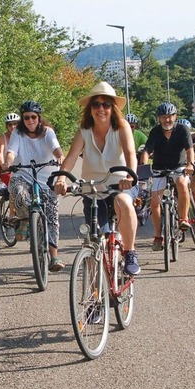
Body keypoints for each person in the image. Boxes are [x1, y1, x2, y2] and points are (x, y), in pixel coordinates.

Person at [55, 82, 140, 275]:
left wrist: (129, 176)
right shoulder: (85, 130)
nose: (100, 109)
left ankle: (130, 252)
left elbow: (130, 153)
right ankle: (94, 296)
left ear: (113, 108)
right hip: (93, 188)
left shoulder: (121, 127)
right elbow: (71, 157)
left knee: (123, 202)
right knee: (94, 240)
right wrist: (61, 178)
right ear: (90, 109)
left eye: (106, 104)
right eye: (96, 105)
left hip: (120, 182)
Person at [1, 100, 66, 272]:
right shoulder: (18, 133)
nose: (30, 121)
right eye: (26, 118)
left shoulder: (47, 132)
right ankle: (25, 220)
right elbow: (11, 151)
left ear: (39, 117)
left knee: (52, 218)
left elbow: (56, 148)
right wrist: (8, 162)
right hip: (24, 174)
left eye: (33, 117)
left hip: (48, 178)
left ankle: (54, 256)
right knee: (15, 187)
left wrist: (60, 156)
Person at [140, 103, 195, 251]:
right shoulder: (155, 132)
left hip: (179, 167)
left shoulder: (182, 130)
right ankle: (158, 236)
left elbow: (190, 149)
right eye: (164, 117)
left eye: (170, 116)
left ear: (175, 116)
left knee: (183, 184)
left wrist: (190, 164)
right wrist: (144, 166)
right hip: (160, 169)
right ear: (159, 118)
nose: (167, 120)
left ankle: (183, 219)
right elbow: (146, 151)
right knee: (154, 202)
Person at [0, 113, 20, 186]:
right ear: (7, 126)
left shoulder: (23, 135)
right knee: (14, 186)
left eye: (15, 124)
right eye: (10, 124)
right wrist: (3, 165)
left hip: (20, 166)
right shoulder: (2, 137)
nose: (13, 126)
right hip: (7, 168)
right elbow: (0, 153)